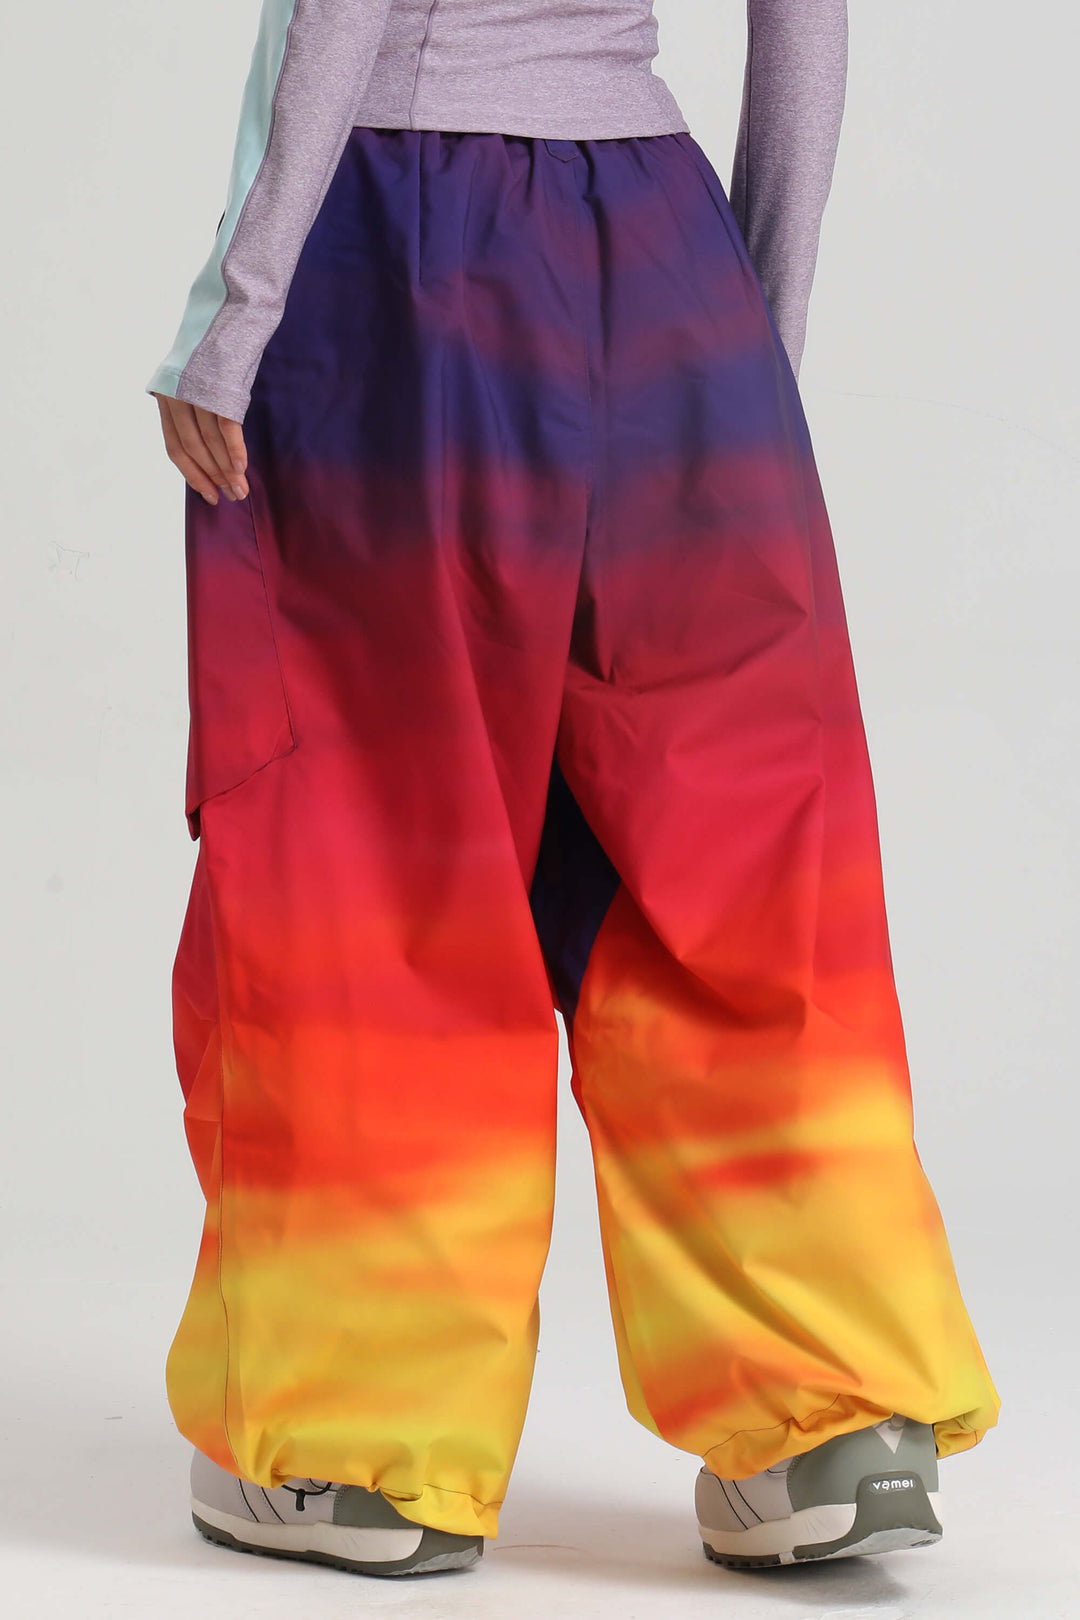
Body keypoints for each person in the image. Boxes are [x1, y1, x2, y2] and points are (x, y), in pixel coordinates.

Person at [146, 0, 999, 1578]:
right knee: (732, 844)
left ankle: (359, 1446)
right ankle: (831, 1415)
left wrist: (238, 307)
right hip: (668, 256)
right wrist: (752, 325)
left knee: (376, 839)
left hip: (404, 244)